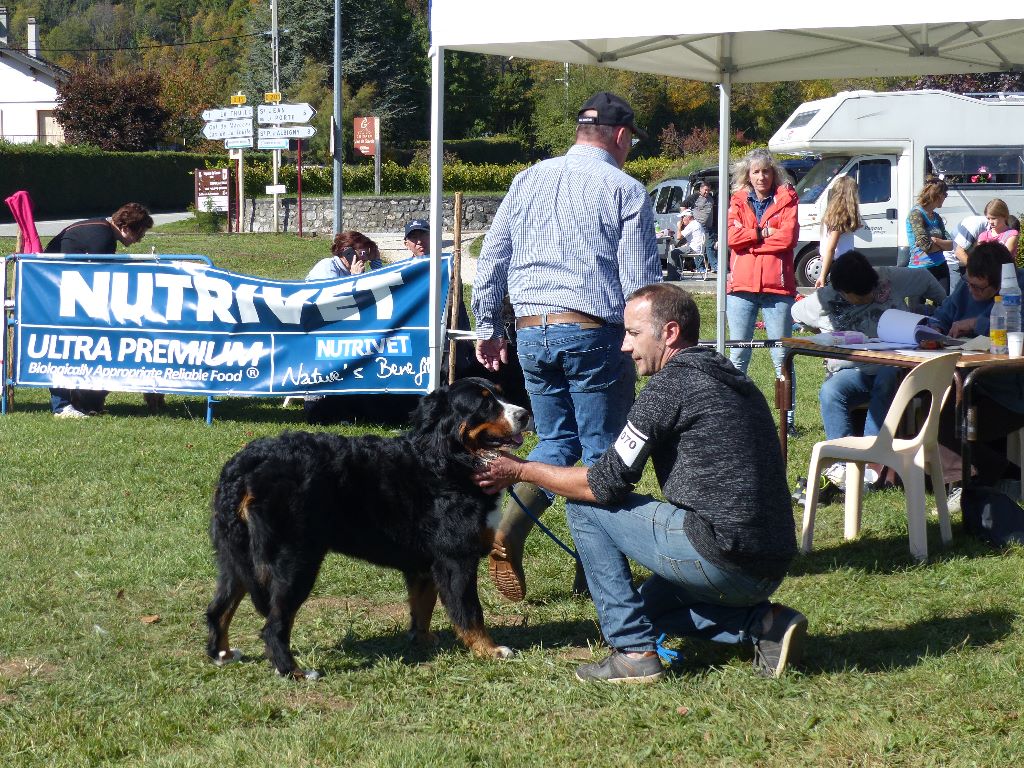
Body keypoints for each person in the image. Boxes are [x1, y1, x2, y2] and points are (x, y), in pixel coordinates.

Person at [474, 284, 804, 682]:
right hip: (772, 559)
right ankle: (764, 624)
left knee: (584, 506)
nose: (624, 347)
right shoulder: (732, 376)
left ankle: (633, 652)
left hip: (724, 556)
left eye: (632, 333)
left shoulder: (669, 387)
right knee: (645, 610)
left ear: (669, 333)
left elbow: (603, 486)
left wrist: (520, 470)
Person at [472, 91, 662, 603]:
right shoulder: (626, 191)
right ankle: (598, 576)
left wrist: (488, 326)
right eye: (631, 143)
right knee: (605, 458)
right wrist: (648, 343)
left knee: (557, 442)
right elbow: (639, 283)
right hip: (592, 330)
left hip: (532, 329)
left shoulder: (526, 179)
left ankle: (510, 530)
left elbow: (491, 258)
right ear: (621, 137)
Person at [792, 250, 946, 491]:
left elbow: (925, 278)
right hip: (857, 370)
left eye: (870, 293)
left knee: (887, 377)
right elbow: (797, 313)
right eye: (859, 296)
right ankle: (841, 465)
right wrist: (824, 333)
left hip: (897, 367)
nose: (867, 298)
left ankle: (871, 462)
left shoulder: (889, 277)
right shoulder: (826, 297)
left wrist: (943, 312)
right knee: (831, 390)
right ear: (841, 290)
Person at [927, 242, 1024, 487]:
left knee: (950, 416)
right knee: (931, 403)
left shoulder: (1017, 287)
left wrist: (974, 323)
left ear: (999, 284)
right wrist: (936, 328)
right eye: (968, 283)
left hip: (1007, 391)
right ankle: (993, 471)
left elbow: (1015, 326)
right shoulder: (967, 284)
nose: (971, 290)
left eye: (978, 288)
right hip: (968, 378)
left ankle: (973, 478)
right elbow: (943, 313)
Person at [44, 202, 155, 418]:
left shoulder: (100, 229)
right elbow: (101, 277)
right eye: (140, 232)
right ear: (127, 227)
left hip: (59, 293)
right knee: (66, 348)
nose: (141, 239)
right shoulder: (102, 237)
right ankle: (65, 405)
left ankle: (86, 400)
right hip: (59, 297)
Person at [725, 148, 800, 432]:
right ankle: (732, 417)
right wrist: (761, 233)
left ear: (774, 173)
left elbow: (787, 239)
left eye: (766, 171)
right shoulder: (736, 201)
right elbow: (732, 238)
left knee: (781, 356)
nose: (761, 177)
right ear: (747, 174)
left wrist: (750, 242)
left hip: (778, 290)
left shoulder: (787, 199)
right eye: (755, 171)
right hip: (741, 287)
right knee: (737, 355)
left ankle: (787, 421)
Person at [906, 179, 953, 293]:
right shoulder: (916, 214)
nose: (945, 197)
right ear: (937, 195)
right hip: (920, 269)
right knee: (917, 310)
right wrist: (941, 244)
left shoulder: (937, 217)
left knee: (943, 305)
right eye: (945, 194)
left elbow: (951, 245)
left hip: (940, 266)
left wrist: (935, 240)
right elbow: (926, 246)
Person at [815, 176, 861, 288]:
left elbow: (830, 249)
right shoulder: (840, 218)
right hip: (841, 264)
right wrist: (823, 275)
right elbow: (831, 249)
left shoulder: (833, 215)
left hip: (838, 263)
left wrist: (823, 274)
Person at [305, 230, 383, 280]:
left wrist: (376, 263)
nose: (365, 258)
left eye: (367, 254)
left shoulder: (352, 270)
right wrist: (355, 278)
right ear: (347, 251)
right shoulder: (327, 267)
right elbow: (332, 298)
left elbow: (377, 289)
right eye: (362, 254)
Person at [944, 214, 989, 294]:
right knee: (957, 293)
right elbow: (959, 252)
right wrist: (977, 269)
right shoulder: (975, 225)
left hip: (966, 259)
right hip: (954, 259)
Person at [681, 180, 717, 272]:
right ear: (700, 189)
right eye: (705, 190)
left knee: (710, 246)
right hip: (698, 226)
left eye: (708, 190)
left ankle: (714, 266)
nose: (707, 192)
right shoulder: (695, 197)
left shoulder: (710, 198)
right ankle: (700, 267)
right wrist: (685, 218)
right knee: (699, 247)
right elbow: (683, 205)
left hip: (709, 226)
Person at [667, 207, 706, 279]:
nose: (682, 220)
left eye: (682, 217)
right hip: (697, 248)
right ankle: (677, 273)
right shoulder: (696, 224)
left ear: (688, 217)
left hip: (694, 249)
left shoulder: (692, 225)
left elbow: (679, 237)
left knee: (673, 252)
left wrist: (679, 227)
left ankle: (673, 276)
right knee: (677, 250)